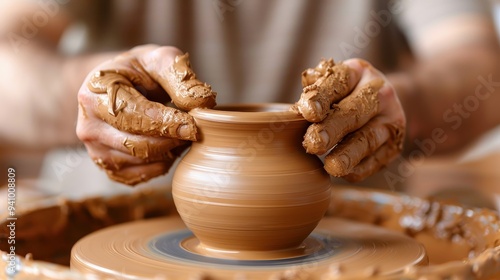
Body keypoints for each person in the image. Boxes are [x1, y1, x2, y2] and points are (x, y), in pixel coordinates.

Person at [1, 0, 499, 188]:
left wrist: (403, 102)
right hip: (120, 240)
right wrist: (85, 91)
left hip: (348, 241)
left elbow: (482, 70)